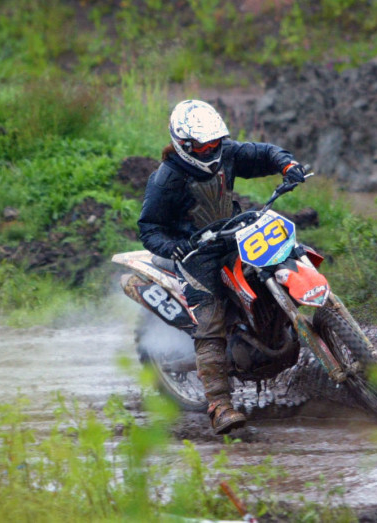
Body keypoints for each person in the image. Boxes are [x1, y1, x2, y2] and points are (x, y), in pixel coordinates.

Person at [138, 99, 307, 434]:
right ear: (184, 145)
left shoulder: (226, 153)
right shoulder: (166, 179)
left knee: (285, 255)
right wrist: (177, 247)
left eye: (215, 142)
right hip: (197, 253)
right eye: (204, 145)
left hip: (233, 235)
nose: (211, 149)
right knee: (210, 319)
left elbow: (260, 154)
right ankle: (219, 405)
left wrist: (286, 164)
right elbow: (149, 229)